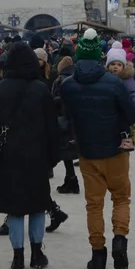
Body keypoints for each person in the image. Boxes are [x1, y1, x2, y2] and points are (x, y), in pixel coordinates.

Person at [60, 29, 135, 269]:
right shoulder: (114, 83)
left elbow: (66, 116)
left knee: (94, 205)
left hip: (87, 151)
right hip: (115, 150)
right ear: (100, 57)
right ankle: (119, 240)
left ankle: (98, 255)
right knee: (121, 198)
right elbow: (130, 115)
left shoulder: (68, 85)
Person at [0, 43, 60, 269]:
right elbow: (51, 127)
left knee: (14, 208)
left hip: (9, 157)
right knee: (37, 205)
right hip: (37, 156)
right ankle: (37, 252)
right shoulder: (40, 89)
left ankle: (17, 256)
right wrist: (52, 158)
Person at [53, 56, 80, 193]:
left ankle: (72, 180)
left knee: (66, 152)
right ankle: (69, 179)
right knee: (70, 151)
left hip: (63, 118)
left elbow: (60, 99)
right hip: (74, 118)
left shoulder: (61, 80)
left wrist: (52, 101)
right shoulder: (77, 77)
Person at [105, 46, 135, 123]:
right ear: (107, 66)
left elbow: (134, 96)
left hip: (123, 115)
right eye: (113, 64)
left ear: (123, 67)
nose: (115, 67)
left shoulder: (127, 79)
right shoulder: (105, 78)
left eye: (119, 65)